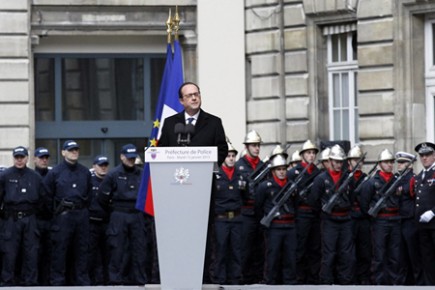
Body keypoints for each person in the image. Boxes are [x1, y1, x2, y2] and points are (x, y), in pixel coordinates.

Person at [43, 140, 92, 286]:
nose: (74, 152)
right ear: (63, 152)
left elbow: (89, 195)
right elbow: (46, 196)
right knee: (60, 251)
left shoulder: (85, 172)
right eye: (71, 150)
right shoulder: (55, 172)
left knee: (82, 250)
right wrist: (56, 213)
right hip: (63, 216)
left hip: (81, 214)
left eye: (76, 149)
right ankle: (58, 282)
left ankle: (82, 282)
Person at [98, 144, 146, 285]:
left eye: (133, 158)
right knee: (117, 248)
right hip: (119, 214)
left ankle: (139, 280)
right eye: (128, 158)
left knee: (139, 249)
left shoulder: (142, 173)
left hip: (137, 214)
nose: (131, 161)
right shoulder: (113, 174)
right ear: (121, 157)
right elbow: (102, 198)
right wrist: (113, 211)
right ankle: (115, 281)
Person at [0, 146, 45, 286]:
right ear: (14, 158)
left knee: (31, 251)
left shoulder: (35, 176)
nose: (19, 160)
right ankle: (7, 281)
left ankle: (30, 281)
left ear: (27, 158)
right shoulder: (5, 176)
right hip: (11, 218)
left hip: (30, 218)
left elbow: (42, 199)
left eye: (22, 157)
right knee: (9, 252)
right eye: (17, 157)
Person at [312, 144, 355, 285]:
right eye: (336, 162)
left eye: (340, 162)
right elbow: (314, 201)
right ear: (329, 161)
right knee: (329, 253)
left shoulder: (347, 177)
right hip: (329, 220)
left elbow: (352, 197)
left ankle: (345, 281)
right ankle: (326, 281)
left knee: (346, 253)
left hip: (345, 219)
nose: (338, 165)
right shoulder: (320, 179)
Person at [158, 82, 228, 166]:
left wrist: (209, 166)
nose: (194, 98)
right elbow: (162, 150)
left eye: (196, 94)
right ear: (181, 101)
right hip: (177, 174)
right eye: (189, 95)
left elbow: (222, 150)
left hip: (205, 175)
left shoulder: (214, 122)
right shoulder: (170, 122)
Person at [256, 151, 297, 284]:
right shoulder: (265, 186)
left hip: (289, 225)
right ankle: (269, 281)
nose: (281, 172)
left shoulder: (291, 185)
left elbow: (296, 204)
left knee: (290, 256)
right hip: (274, 226)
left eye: (283, 169)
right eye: (278, 169)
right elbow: (258, 206)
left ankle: (289, 282)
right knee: (272, 256)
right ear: (273, 171)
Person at [361, 149, 401, 285]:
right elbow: (364, 203)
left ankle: (394, 281)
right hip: (380, 221)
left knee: (395, 253)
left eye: (391, 162)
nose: (389, 164)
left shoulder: (396, 180)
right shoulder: (372, 182)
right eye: (386, 162)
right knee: (379, 253)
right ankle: (379, 282)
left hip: (395, 219)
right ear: (380, 164)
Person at [287, 140, 321, 284]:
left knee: (314, 246)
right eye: (308, 153)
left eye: (313, 153)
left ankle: (313, 277)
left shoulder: (318, 173)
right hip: (301, 213)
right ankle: (299, 277)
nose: (311, 156)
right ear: (302, 155)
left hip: (314, 213)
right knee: (300, 246)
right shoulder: (293, 173)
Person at [212, 141, 245, 285]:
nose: (231, 158)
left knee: (237, 250)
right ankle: (220, 279)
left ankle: (235, 278)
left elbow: (246, 196)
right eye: (228, 156)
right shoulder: (216, 175)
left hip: (236, 218)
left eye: (233, 156)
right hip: (221, 218)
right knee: (220, 250)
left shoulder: (241, 175)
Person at [235, 129, 265, 284]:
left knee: (259, 247)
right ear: (247, 147)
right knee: (244, 247)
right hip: (245, 212)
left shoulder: (263, 166)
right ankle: (243, 278)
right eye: (253, 145)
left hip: (260, 212)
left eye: (258, 145)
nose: (257, 148)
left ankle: (257, 277)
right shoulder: (239, 166)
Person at [395, 151, 424, 285]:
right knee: (401, 255)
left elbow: (410, 192)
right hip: (399, 220)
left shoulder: (413, 178)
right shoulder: (397, 178)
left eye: (402, 163)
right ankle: (404, 282)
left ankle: (418, 282)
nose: (399, 165)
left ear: (410, 165)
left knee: (413, 254)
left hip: (410, 220)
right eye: (399, 162)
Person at [347, 145, 372, 285]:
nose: (358, 163)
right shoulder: (345, 177)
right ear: (349, 161)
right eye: (355, 160)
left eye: (360, 160)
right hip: (350, 217)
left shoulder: (366, 178)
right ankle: (351, 278)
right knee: (350, 251)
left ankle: (364, 278)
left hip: (363, 217)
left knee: (365, 250)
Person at [413, 142, 435, 285]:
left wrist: (433, 212)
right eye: (422, 156)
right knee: (426, 257)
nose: (424, 158)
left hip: (434, 223)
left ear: (434, 156)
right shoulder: (420, 175)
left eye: (427, 155)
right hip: (422, 225)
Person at [89, 155, 110, 285]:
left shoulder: (111, 180)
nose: (103, 168)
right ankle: (94, 281)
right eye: (100, 165)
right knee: (92, 255)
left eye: (105, 165)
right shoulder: (89, 181)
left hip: (108, 223)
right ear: (94, 166)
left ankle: (108, 281)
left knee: (108, 254)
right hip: (92, 222)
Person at [33, 147, 53, 285]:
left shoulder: (53, 175)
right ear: (34, 159)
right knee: (34, 253)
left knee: (50, 253)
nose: (44, 160)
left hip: (52, 219)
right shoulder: (31, 175)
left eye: (46, 158)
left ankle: (47, 282)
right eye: (41, 158)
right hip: (35, 220)